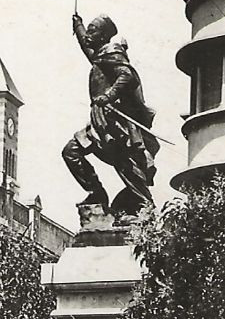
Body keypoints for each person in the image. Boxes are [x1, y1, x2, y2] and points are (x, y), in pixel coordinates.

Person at [60, 12, 160, 221]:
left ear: (104, 35)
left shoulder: (112, 52)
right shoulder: (100, 54)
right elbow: (86, 45)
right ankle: (97, 193)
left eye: (92, 30)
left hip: (114, 122)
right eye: (87, 30)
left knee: (127, 166)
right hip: (99, 120)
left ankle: (145, 209)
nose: (88, 34)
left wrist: (109, 95)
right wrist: (77, 25)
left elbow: (128, 76)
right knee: (71, 151)